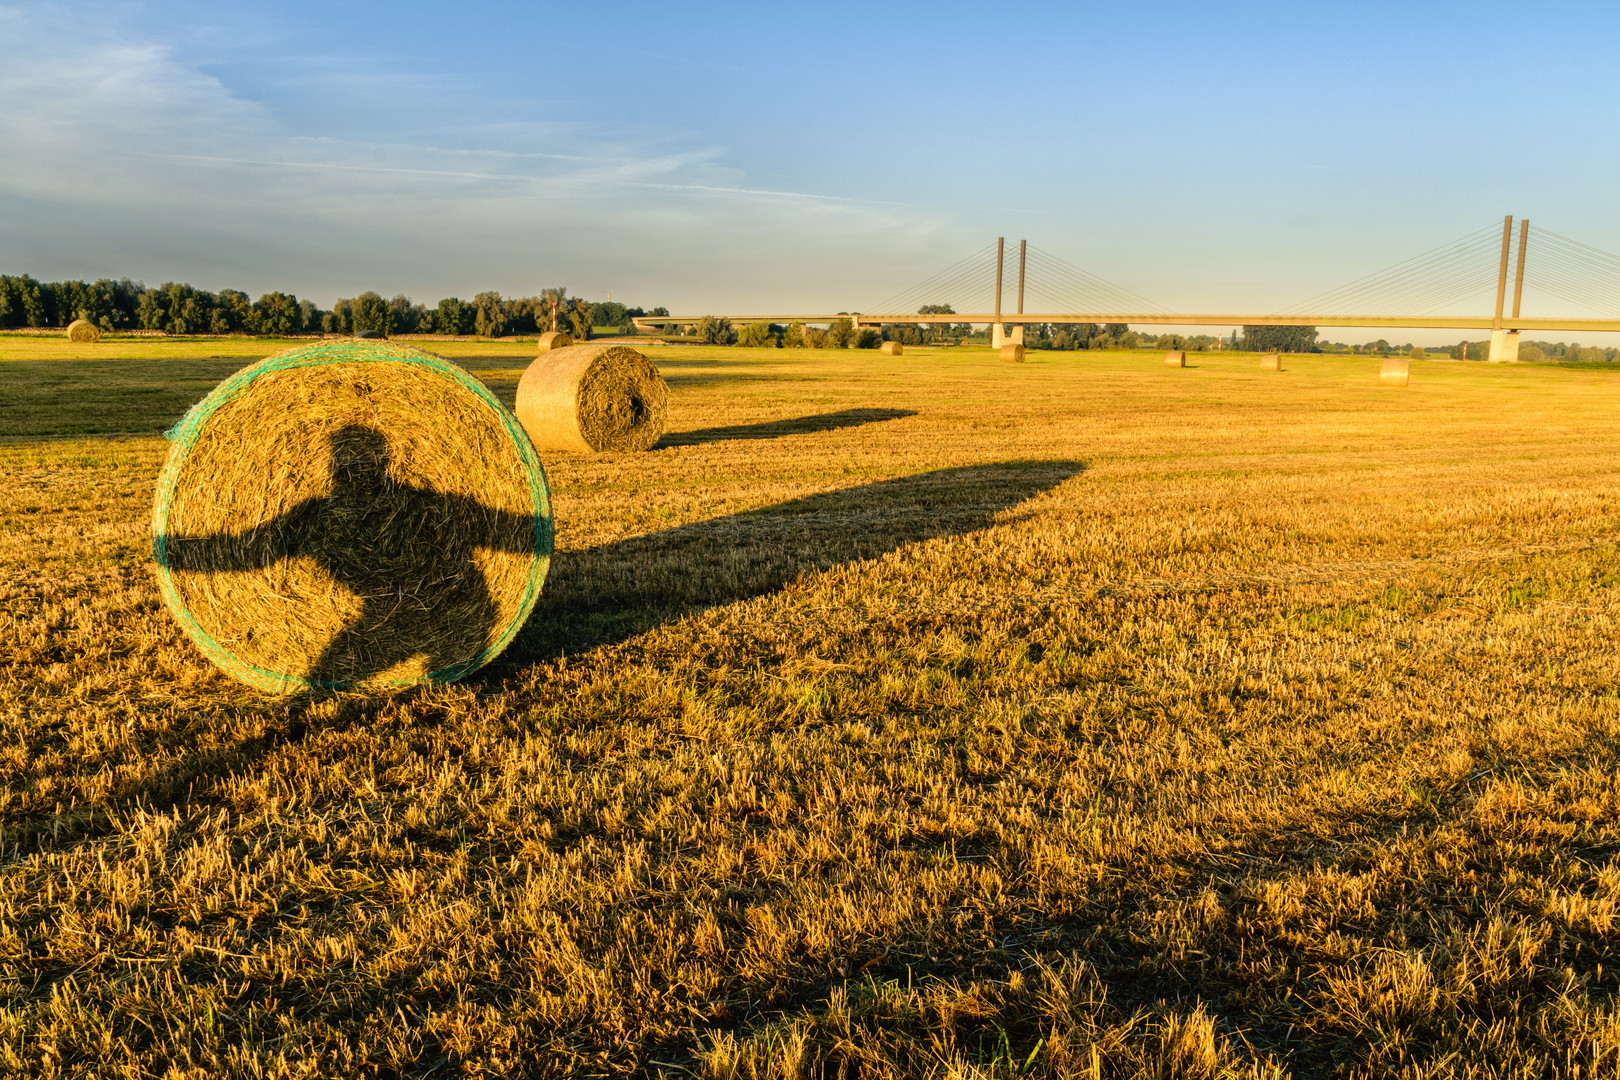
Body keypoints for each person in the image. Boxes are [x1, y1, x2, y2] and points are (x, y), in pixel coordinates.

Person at [161, 424, 539, 687]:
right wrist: (179, 552)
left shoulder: (415, 505)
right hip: (440, 617)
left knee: (320, 680)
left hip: (443, 617)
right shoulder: (413, 503)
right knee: (329, 676)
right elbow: (248, 552)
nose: (356, 473)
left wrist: (177, 553)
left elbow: (249, 551)